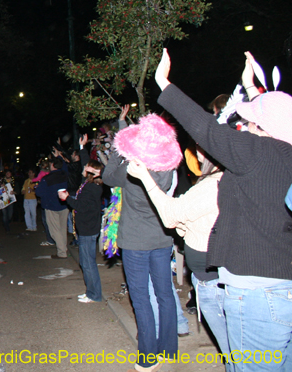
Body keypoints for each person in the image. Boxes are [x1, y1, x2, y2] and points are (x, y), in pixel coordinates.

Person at [154, 49, 292, 371]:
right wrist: (251, 87)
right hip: (283, 282)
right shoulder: (283, 153)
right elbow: (276, 118)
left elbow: (207, 129)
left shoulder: (256, 151)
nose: (244, 125)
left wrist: (164, 83)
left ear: (261, 124)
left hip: (256, 291)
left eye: (250, 120)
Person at [128, 147, 232, 370]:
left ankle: (149, 357)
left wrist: (144, 176)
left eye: (201, 149)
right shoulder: (220, 180)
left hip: (212, 278)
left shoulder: (211, 184)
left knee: (234, 349)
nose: (196, 153)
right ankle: (168, 348)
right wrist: (186, 229)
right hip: (215, 271)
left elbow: (170, 216)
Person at [102, 113, 180, 370]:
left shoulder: (132, 169)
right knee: (165, 293)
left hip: (135, 241)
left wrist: (119, 150)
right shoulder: (166, 167)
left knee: (141, 297)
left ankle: (148, 357)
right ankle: (168, 349)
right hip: (161, 237)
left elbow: (107, 176)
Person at [59, 159, 104, 303]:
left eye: (86, 166)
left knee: (88, 264)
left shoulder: (92, 187)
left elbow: (82, 206)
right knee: (85, 262)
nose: (83, 167)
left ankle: (94, 295)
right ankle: (90, 292)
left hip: (88, 229)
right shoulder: (88, 184)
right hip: (86, 228)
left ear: (91, 171)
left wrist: (67, 198)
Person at [35, 157, 69, 259]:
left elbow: (39, 192)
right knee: (62, 228)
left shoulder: (47, 178)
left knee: (54, 230)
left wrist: (37, 187)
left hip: (51, 206)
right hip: (64, 204)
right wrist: (60, 156)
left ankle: (62, 252)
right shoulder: (65, 175)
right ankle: (63, 248)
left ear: (53, 165)